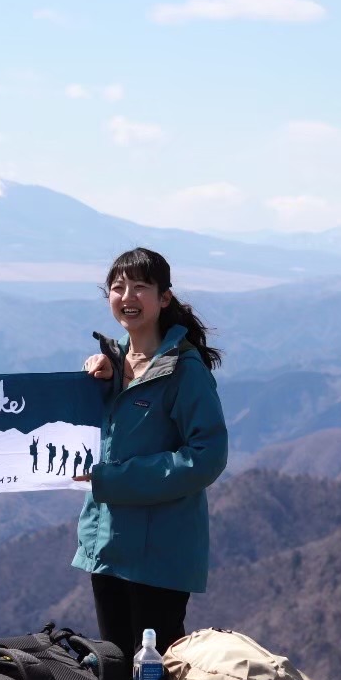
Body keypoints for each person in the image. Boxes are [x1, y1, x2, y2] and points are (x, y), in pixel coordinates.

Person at [73, 247, 227, 658]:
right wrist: (96, 383)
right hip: (106, 545)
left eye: (141, 287)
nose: (128, 296)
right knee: (116, 669)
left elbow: (207, 455)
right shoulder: (110, 364)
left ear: (164, 298)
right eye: (118, 287)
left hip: (160, 553)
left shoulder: (184, 371)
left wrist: (115, 480)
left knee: (154, 678)